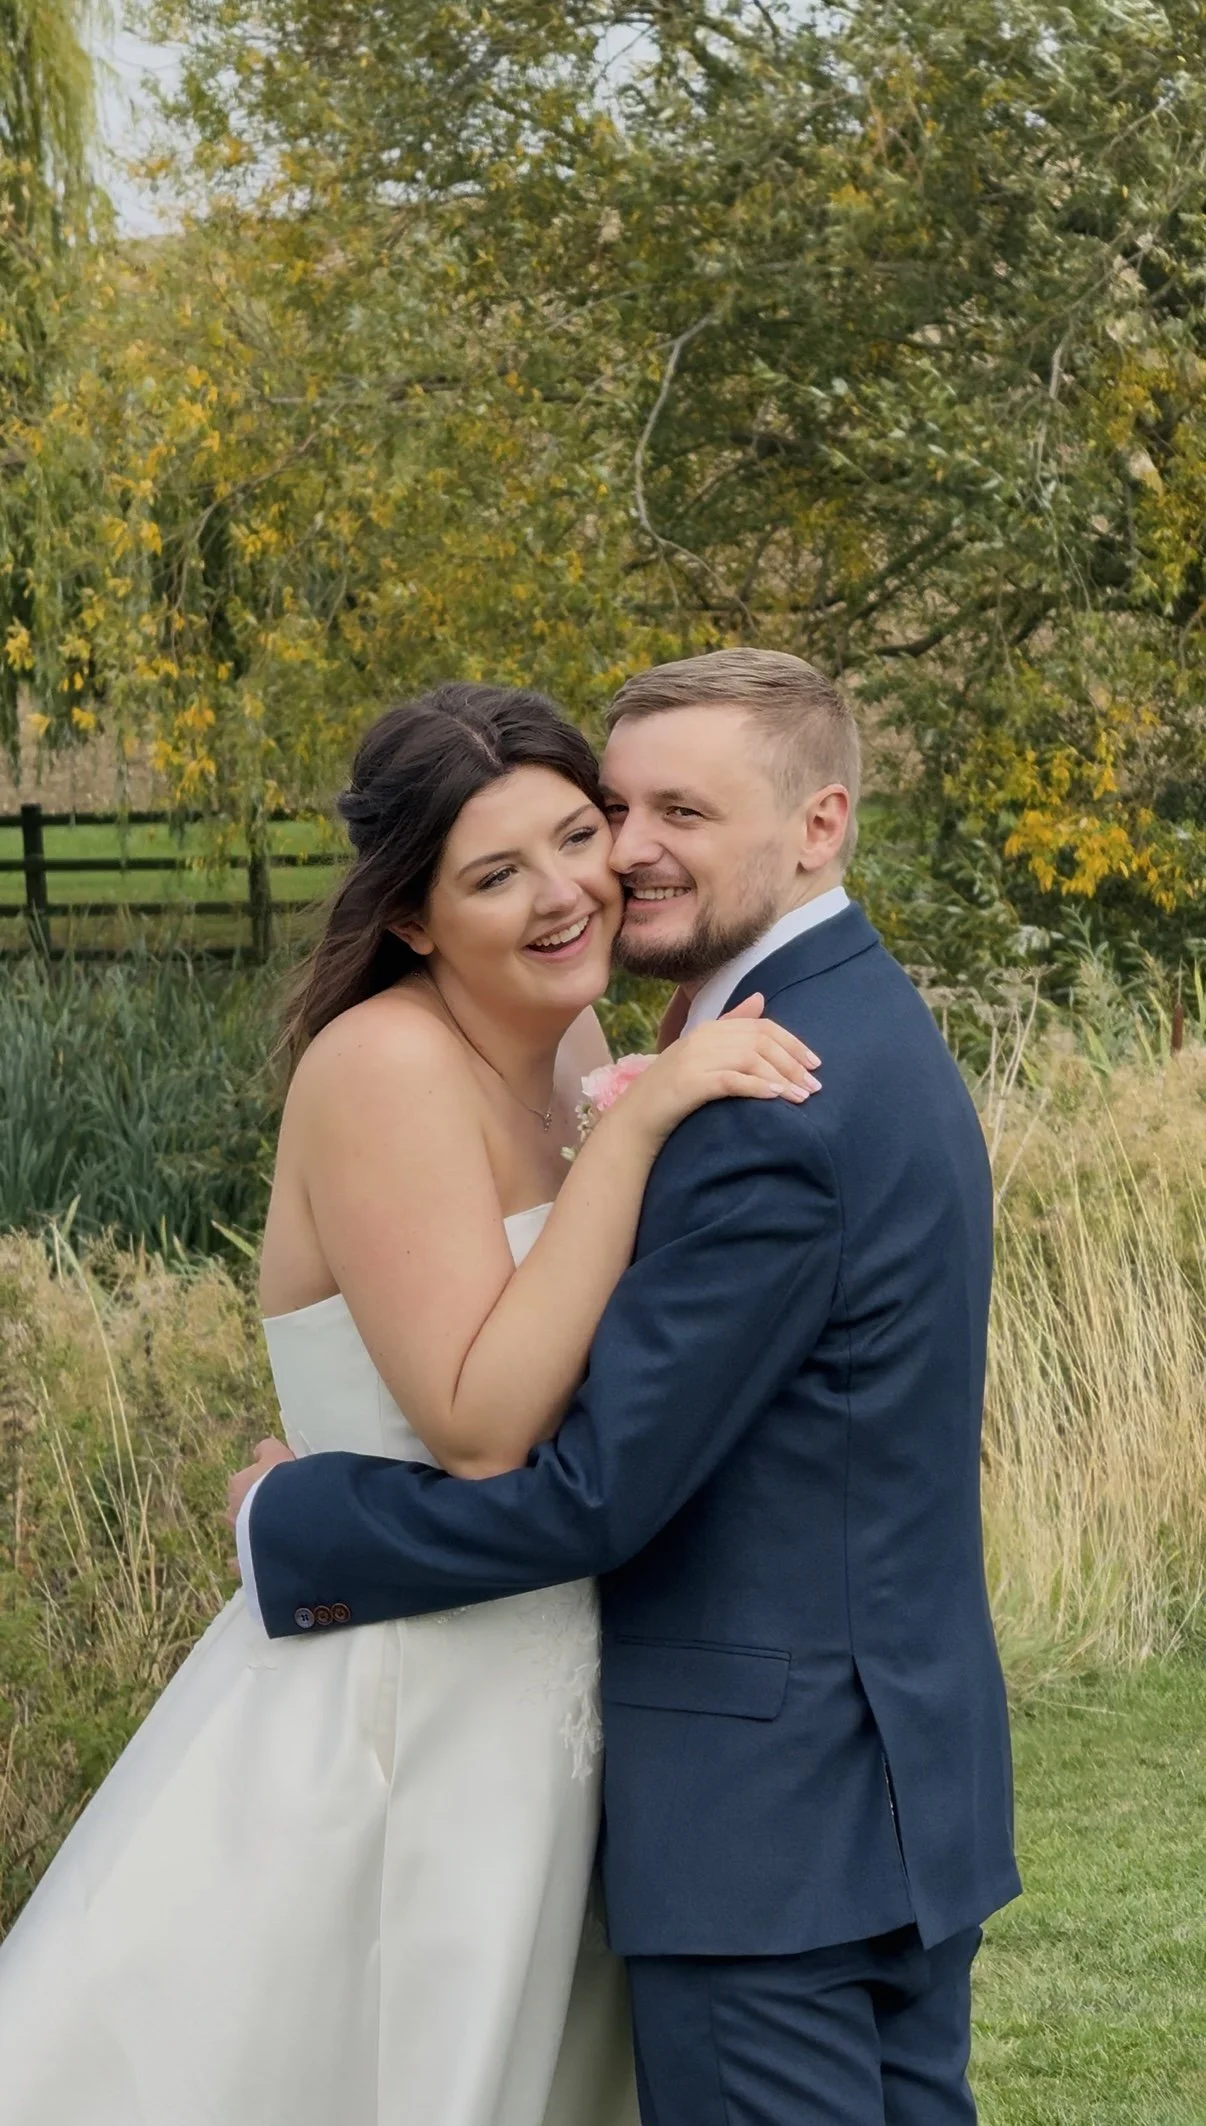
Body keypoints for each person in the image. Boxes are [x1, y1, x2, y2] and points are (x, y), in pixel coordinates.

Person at [0, 681, 820, 2126]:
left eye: (578, 834)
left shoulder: (569, 1049)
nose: (568, 890)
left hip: (557, 1692)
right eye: (494, 874)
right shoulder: (382, 1066)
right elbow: (479, 1422)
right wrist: (637, 1126)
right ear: (414, 919)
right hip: (400, 1710)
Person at [236, 648, 1021, 2126]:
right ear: (416, 908)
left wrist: (294, 1518)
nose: (624, 857)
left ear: (818, 824)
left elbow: (586, 1484)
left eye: (676, 813)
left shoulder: (760, 1096)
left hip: (769, 1832)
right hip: (843, 1787)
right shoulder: (840, 1022)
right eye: (622, 803)